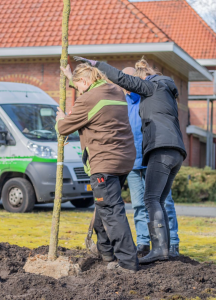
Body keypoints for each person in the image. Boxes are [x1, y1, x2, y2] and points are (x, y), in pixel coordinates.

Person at [73, 56, 186, 264]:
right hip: (176, 150)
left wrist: (97, 65)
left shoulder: (151, 86)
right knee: (158, 200)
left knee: (152, 199)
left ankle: (161, 250)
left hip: (160, 150)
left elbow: (121, 78)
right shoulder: (166, 91)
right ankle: (162, 248)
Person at [57, 63, 139, 273]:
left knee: (112, 211)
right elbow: (93, 96)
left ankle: (128, 262)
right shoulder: (115, 91)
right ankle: (106, 254)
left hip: (104, 162)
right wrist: (70, 77)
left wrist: (60, 120)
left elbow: (65, 127)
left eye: (79, 86)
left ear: (84, 82)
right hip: (124, 159)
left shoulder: (88, 99)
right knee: (104, 207)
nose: (79, 91)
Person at [123, 67, 180, 258]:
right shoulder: (123, 103)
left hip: (153, 158)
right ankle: (143, 243)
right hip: (132, 162)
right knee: (139, 205)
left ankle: (171, 244)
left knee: (164, 203)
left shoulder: (149, 97)